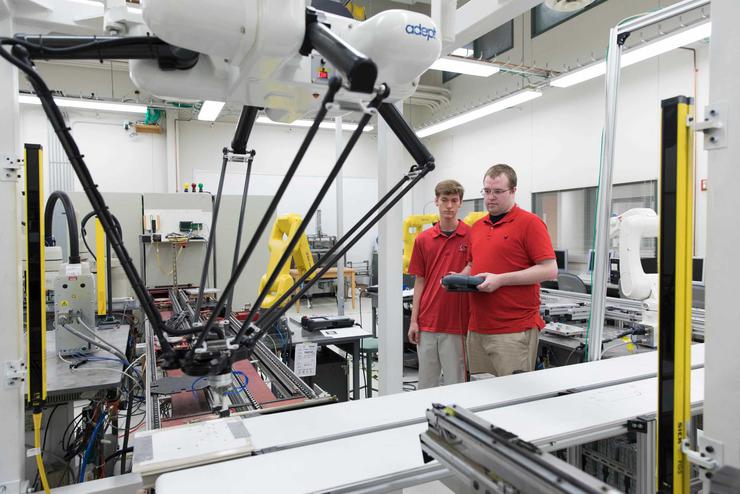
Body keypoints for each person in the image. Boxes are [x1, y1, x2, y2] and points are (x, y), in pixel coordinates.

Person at [460, 164, 557, 377]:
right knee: (481, 395)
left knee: (514, 398)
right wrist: (459, 279)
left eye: (497, 191)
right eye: (486, 191)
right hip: (477, 328)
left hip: (513, 331)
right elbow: (472, 264)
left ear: (513, 191)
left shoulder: (530, 224)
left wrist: (501, 280)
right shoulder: (477, 227)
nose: (490, 197)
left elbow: (549, 270)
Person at [408, 180, 470, 389]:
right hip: (427, 323)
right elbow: (420, 280)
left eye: (454, 201)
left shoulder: (472, 236)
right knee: (426, 384)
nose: (449, 206)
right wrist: (414, 321)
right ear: (436, 201)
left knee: (456, 384)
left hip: (457, 324)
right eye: (444, 200)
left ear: (461, 203)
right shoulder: (423, 239)